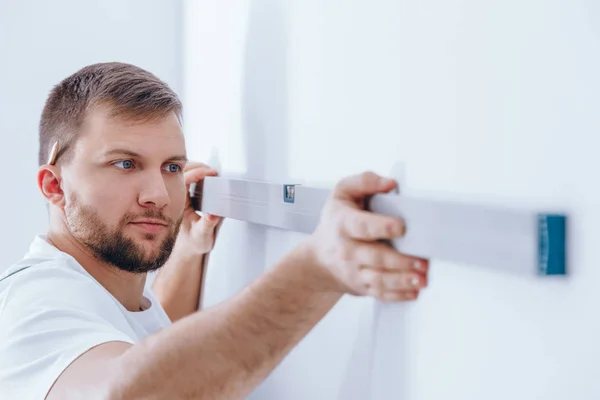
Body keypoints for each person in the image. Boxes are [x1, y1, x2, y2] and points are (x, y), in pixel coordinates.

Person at [0, 62, 429, 399]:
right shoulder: (35, 303)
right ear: (54, 186)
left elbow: (142, 347)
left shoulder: (108, 291)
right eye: (125, 164)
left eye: (171, 167)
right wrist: (317, 269)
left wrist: (185, 254)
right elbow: (136, 392)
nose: (160, 196)